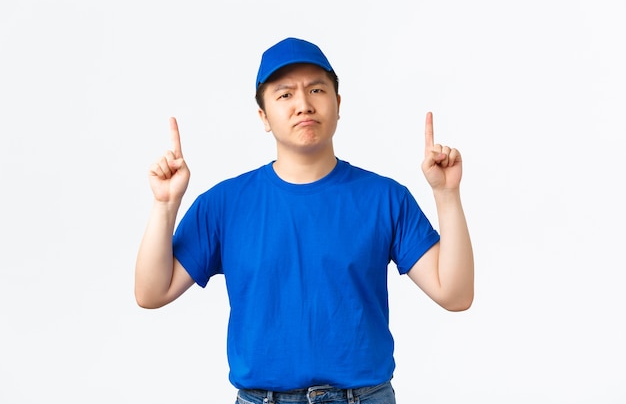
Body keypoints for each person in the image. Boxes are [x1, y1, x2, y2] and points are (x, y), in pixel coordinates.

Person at [135, 37, 474, 404]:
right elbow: (152, 293)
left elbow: (455, 295)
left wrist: (447, 195)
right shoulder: (224, 204)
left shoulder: (385, 198)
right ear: (263, 117)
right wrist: (165, 205)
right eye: (284, 95)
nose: (303, 105)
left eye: (316, 89)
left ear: (338, 104)